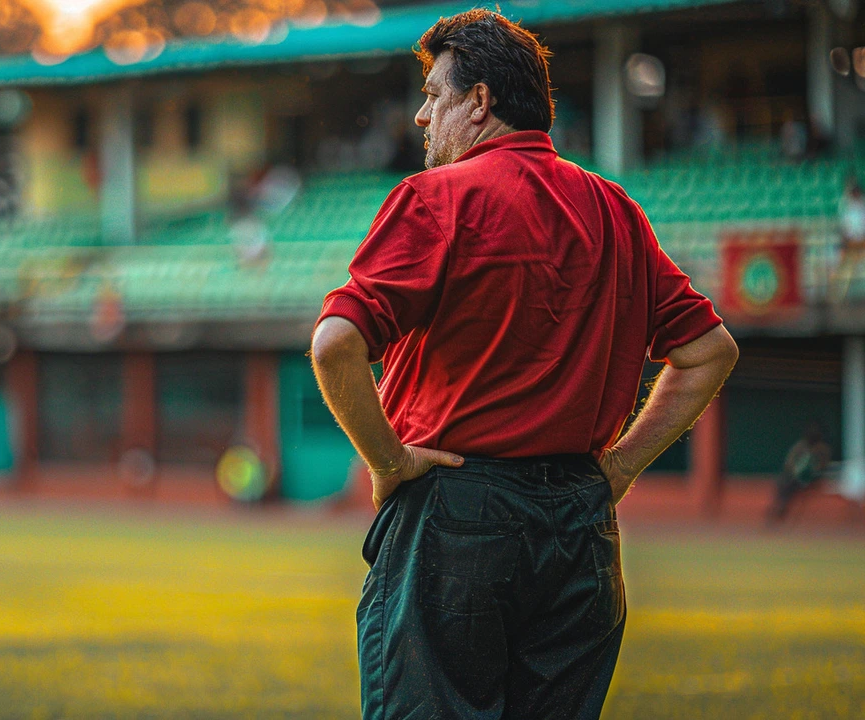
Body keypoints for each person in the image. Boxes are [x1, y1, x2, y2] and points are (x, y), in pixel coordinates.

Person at [308, 10, 738, 719]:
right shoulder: (615, 209)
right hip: (580, 525)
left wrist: (387, 462)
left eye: (433, 96)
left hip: (456, 512)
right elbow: (708, 351)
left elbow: (335, 342)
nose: (420, 117)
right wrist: (621, 467)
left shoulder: (437, 198)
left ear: (480, 102)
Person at [767, 423, 833, 523]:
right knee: (784, 483)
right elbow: (789, 462)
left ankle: (782, 508)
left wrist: (810, 472)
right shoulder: (800, 446)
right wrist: (797, 472)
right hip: (795, 478)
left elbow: (822, 466)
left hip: (812, 479)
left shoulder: (822, 449)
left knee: (791, 484)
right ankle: (780, 507)